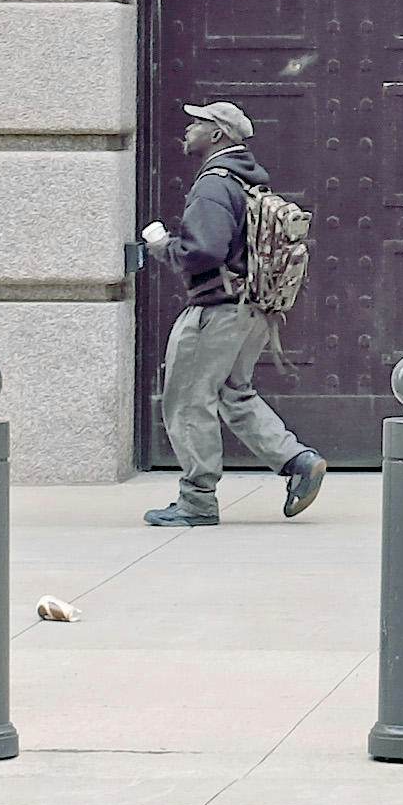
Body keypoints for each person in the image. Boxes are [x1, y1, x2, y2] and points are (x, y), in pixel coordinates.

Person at [137, 99, 321, 525]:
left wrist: (164, 246)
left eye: (196, 124)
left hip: (217, 311)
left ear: (217, 134)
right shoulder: (244, 181)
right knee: (233, 393)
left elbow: (205, 249)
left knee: (187, 400)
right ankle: (298, 462)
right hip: (251, 309)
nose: (187, 130)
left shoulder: (213, 184)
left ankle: (197, 500)